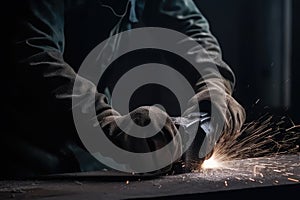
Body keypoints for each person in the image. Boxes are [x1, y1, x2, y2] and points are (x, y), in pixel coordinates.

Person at [0, 0, 245, 178]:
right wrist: (106, 123)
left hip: (88, 160)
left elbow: (192, 31)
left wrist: (214, 86)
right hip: (23, 154)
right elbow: (32, 50)